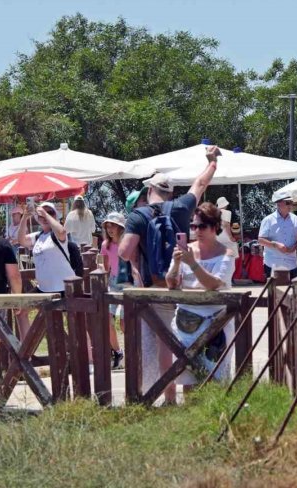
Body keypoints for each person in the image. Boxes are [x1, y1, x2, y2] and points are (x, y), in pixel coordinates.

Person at [118, 145, 220, 403]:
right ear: (170, 192)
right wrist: (212, 162)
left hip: (159, 286)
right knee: (190, 339)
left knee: (166, 343)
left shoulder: (138, 215)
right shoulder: (182, 207)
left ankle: (170, 398)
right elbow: (199, 183)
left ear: (150, 190)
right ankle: (194, 395)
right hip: (185, 285)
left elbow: (123, 252)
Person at [165, 203, 235, 388]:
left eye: (202, 226)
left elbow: (214, 285)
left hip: (215, 326)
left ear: (215, 227)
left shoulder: (226, 253)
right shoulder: (186, 250)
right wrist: (177, 264)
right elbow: (171, 283)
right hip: (185, 324)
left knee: (215, 381)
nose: (197, 230)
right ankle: (190, 416)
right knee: (188, 378)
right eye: (193, 226)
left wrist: (193, 263)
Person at [17, 202, 74, 294]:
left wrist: (44, 214)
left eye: (50, 212)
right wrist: (25, 217)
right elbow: (21, 240)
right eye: (41, 215)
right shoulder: (37, 236)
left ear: (55, 216)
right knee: (24, 307)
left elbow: (62, 232)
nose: (44, 217)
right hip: (43, 288)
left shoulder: (57, 234)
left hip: (62, 288)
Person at [100, 212, 130, 370]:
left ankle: (131, 350)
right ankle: (118, 352)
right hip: (113, 281)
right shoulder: (105, 245)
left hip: (127, 282)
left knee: (125, 323)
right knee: (108, 319)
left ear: (120, 227)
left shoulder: (128, 243)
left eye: (113, 225)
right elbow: (105, 266)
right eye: (108, 225)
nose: (110, 228)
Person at [258, 191, 297, 279]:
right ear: (279, 203)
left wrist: (295, 246)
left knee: (293, 291)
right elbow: (261, 240)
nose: (290, 205)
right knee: (274, 292)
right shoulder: (268, 220)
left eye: (291, 203)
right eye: (288, 202)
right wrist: (276, 245)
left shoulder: (296, 220)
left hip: (291, 263)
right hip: (272, 263)